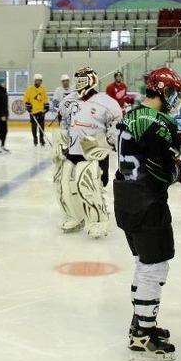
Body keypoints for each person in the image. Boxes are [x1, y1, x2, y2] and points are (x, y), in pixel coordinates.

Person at [114, 66, 181, 361]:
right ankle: (142, 338)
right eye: (174, 93)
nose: (176, 99)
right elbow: (163, 171)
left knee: (144, 263)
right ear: (163, 90)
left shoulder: (131, 116)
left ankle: (141, 324)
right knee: (154, 267)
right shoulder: (158, 122)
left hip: (126, 198)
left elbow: (147, 159)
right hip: (147, 202)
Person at [53, 67, 122, 238]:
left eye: (83, 81)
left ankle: (99, 220)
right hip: (72, 151)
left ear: (92, 81)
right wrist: (61, 137)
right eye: (77, 81)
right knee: (63, 185)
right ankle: (74, 216)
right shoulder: (69, 100)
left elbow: (116, 124)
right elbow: (64, 121)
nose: (79, 85)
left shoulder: (106, 102)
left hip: (93, 152)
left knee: (88, 186)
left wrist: (109, 143)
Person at [23, 73, 49, 146]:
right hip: (33, 111)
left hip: (41, 110)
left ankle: (41, 138)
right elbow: (26, 98)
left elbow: (45, 98)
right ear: (35, 81)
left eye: (40, 81)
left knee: (41, 125)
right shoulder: (30, 89)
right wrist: (28, 106)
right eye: (37, 80)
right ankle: (35, 138)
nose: (39, 82)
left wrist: (46, 105)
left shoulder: (43, 89)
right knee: (34, 126)